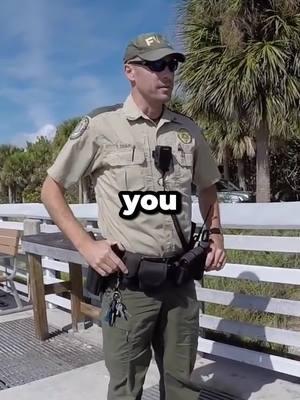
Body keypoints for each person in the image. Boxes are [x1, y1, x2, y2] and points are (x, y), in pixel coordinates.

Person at [41, 32, 226, 400]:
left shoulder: (187, 131)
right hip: (129, 285)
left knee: (182, 386)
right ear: (130, 71)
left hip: (180, 281)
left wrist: (216, 235)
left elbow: (207, 186)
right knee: (126, 387)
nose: (167, 74)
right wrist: (87, 246)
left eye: (171, 65)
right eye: (156, 65)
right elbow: (51, 189)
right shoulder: (101, 126)